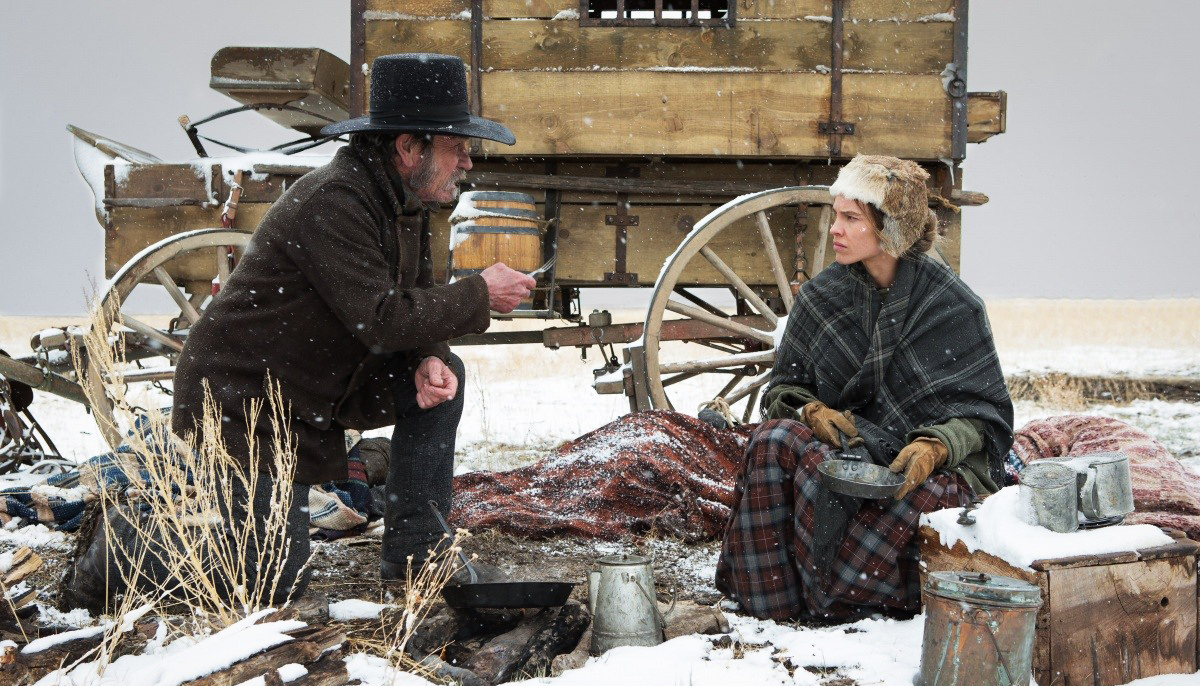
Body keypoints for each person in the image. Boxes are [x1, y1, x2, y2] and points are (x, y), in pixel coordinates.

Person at [164, 53, 534, 599]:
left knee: (443, 377)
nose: (467, 161)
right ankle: (112, 556)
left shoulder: (402, 201)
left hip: (316, 383)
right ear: (408, 148)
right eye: (456, 147)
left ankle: (418, 555)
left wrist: (428, 354)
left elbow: (412, 296)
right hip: (248, 401)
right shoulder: (336, 200)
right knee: (269, 583)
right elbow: (380, 320)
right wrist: (480, 292)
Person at [715, 154, 1013, 621]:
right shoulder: (821, 298)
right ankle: (773, 600)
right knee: (773, 442)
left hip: (915, 468)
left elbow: (986, 419)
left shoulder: (953, 306)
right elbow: (784, 389)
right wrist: (811, 411)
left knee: (918, 507)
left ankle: (846, 597)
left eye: (851, 218)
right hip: (845, 452)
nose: (835, 229)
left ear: (891, 227)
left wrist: (936, 446)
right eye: (836, 214)